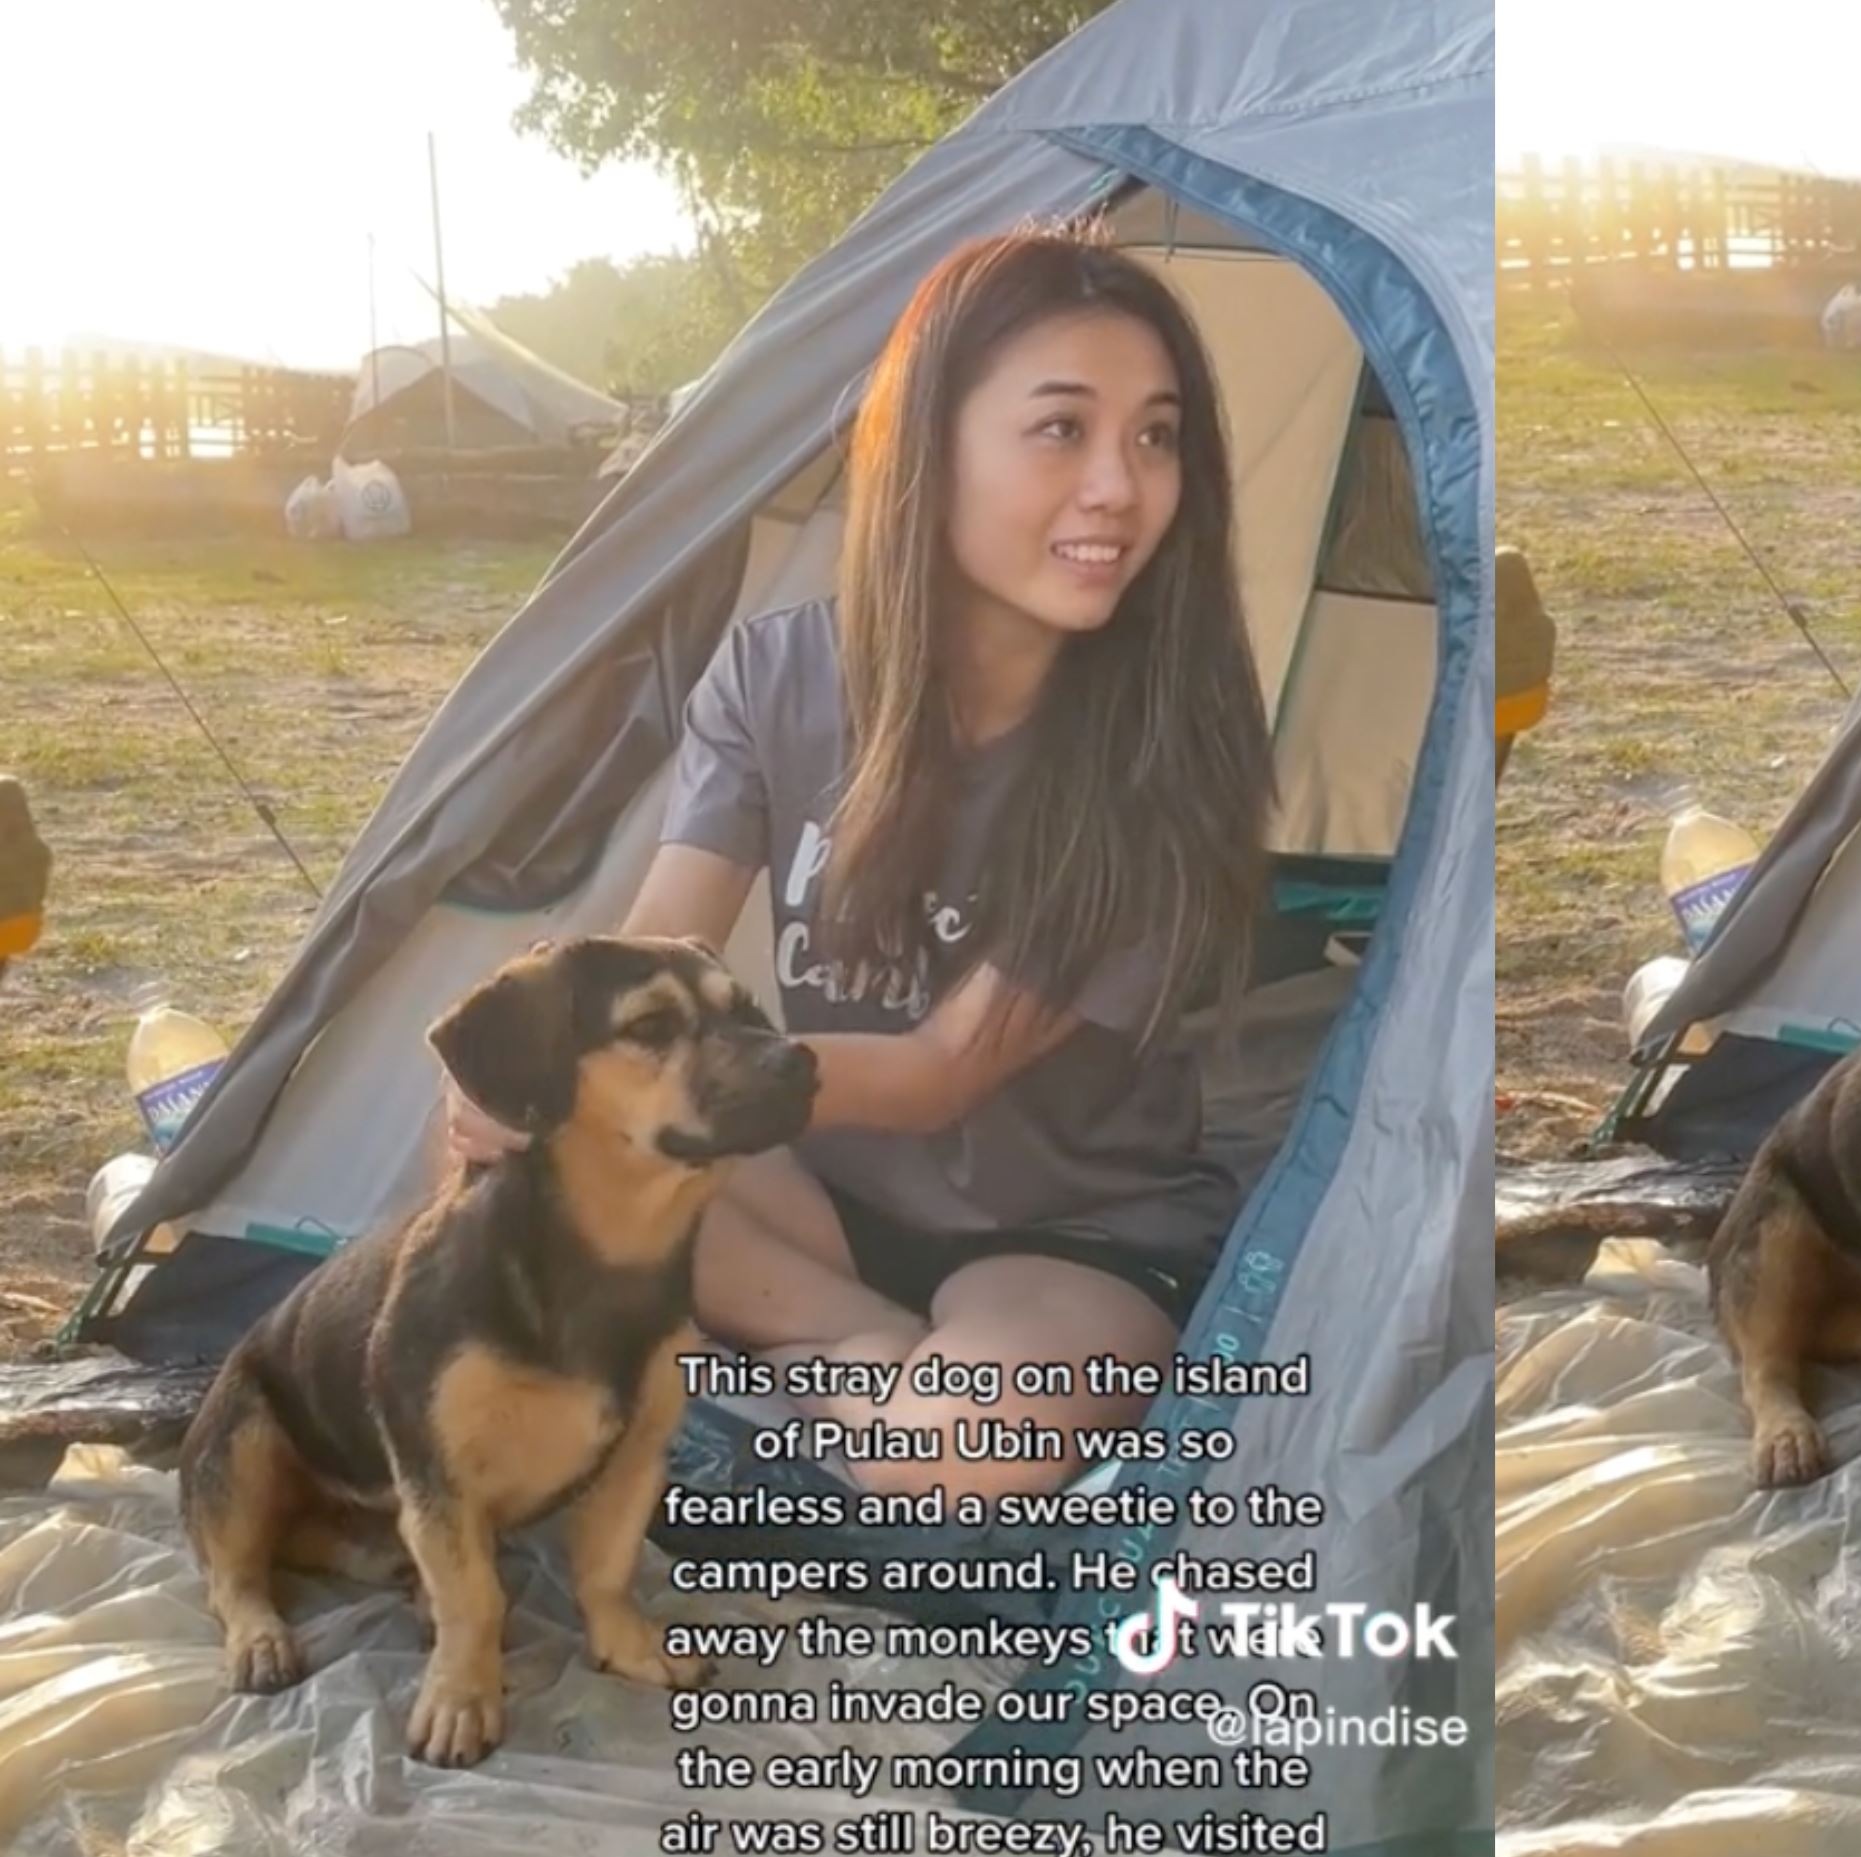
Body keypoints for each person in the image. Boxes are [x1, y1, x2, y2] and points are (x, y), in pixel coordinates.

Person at [441, 224, 1275, 1498]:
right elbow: (653, 950)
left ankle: (800, 1360)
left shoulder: (1171, 754)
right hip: (810, 1199)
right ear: (926, 446)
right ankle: (854, 1339)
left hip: (1069, 1243)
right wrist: (532, 1064)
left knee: (953, 1449)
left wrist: (651, 1079)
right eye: (1062, 429)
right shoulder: (777, 675)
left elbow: (944, 1072)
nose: (1120, 486)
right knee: (490, 1143)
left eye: (1156, 436)